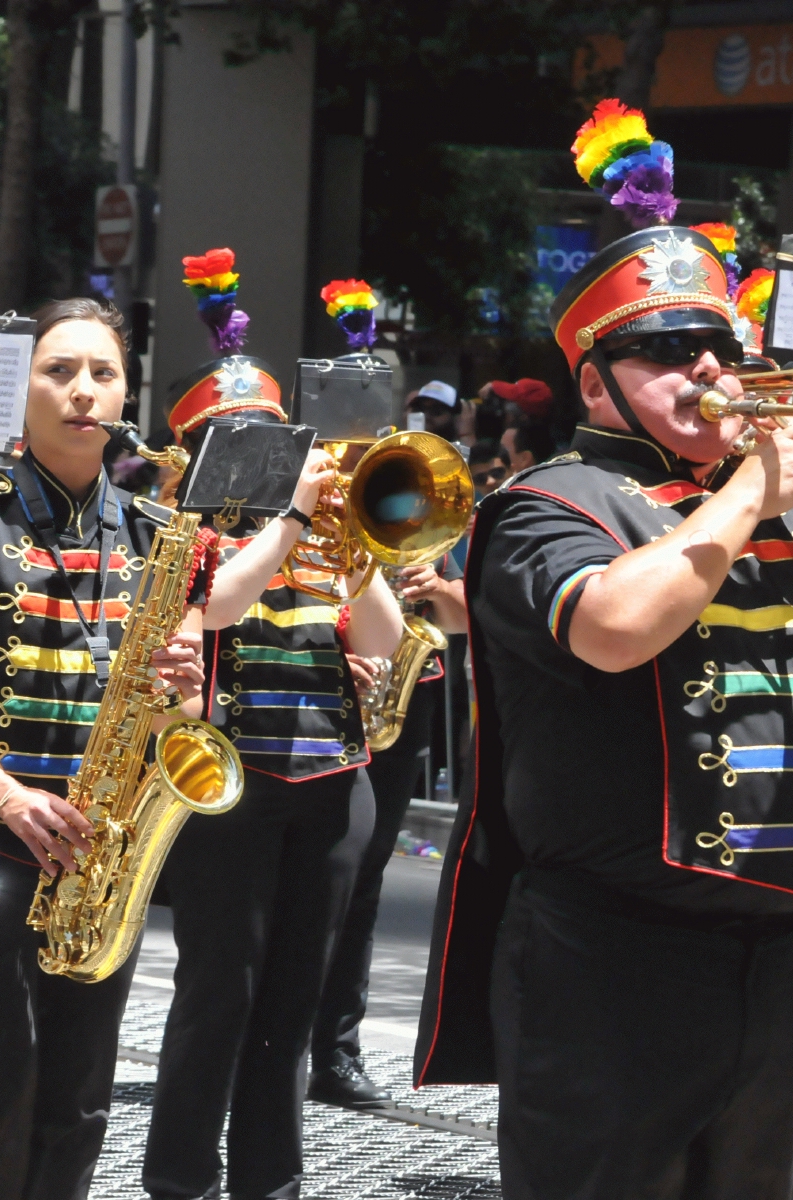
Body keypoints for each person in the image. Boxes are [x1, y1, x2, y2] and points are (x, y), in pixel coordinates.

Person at [413, 170, 793, 1200]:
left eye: (722, 349)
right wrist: (756, 487)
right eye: (667, 350)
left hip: (773, 950)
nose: (708, 370)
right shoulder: (548, 505)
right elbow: (617, 629)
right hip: (606, 960)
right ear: (595, 384)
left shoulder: (790, 508)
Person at [0, 296, 209, 1200]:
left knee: (81, 1102)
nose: (84, 392)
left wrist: (183, 693)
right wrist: (6, 799)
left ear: (128, 392)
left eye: (103, 373)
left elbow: (175, 728)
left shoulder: (163, 538)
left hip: (98, 857)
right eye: (59, 371)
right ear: (22, 388)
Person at [142, 247, 404, 1200]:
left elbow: (387, 634)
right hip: (230, 794)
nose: (260, 452)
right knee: (218, 1000)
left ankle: (270, 1182)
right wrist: (289, 522)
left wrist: (360, 545)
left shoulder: (315, 540)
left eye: (269, 435)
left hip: (333, 787)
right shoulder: (185, 539)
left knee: (291, 1007)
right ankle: (179, 1178)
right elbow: (209, 609)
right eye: (235, 438)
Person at [307, 272, 472, 1108]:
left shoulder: (408, 474)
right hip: (313, 688)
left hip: (398, 689)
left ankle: (335, 1048)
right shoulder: (308, 482)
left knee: (365, 872)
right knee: (305, 872)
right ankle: (272, 1033)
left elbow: (438, 558)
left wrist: (422, 580)